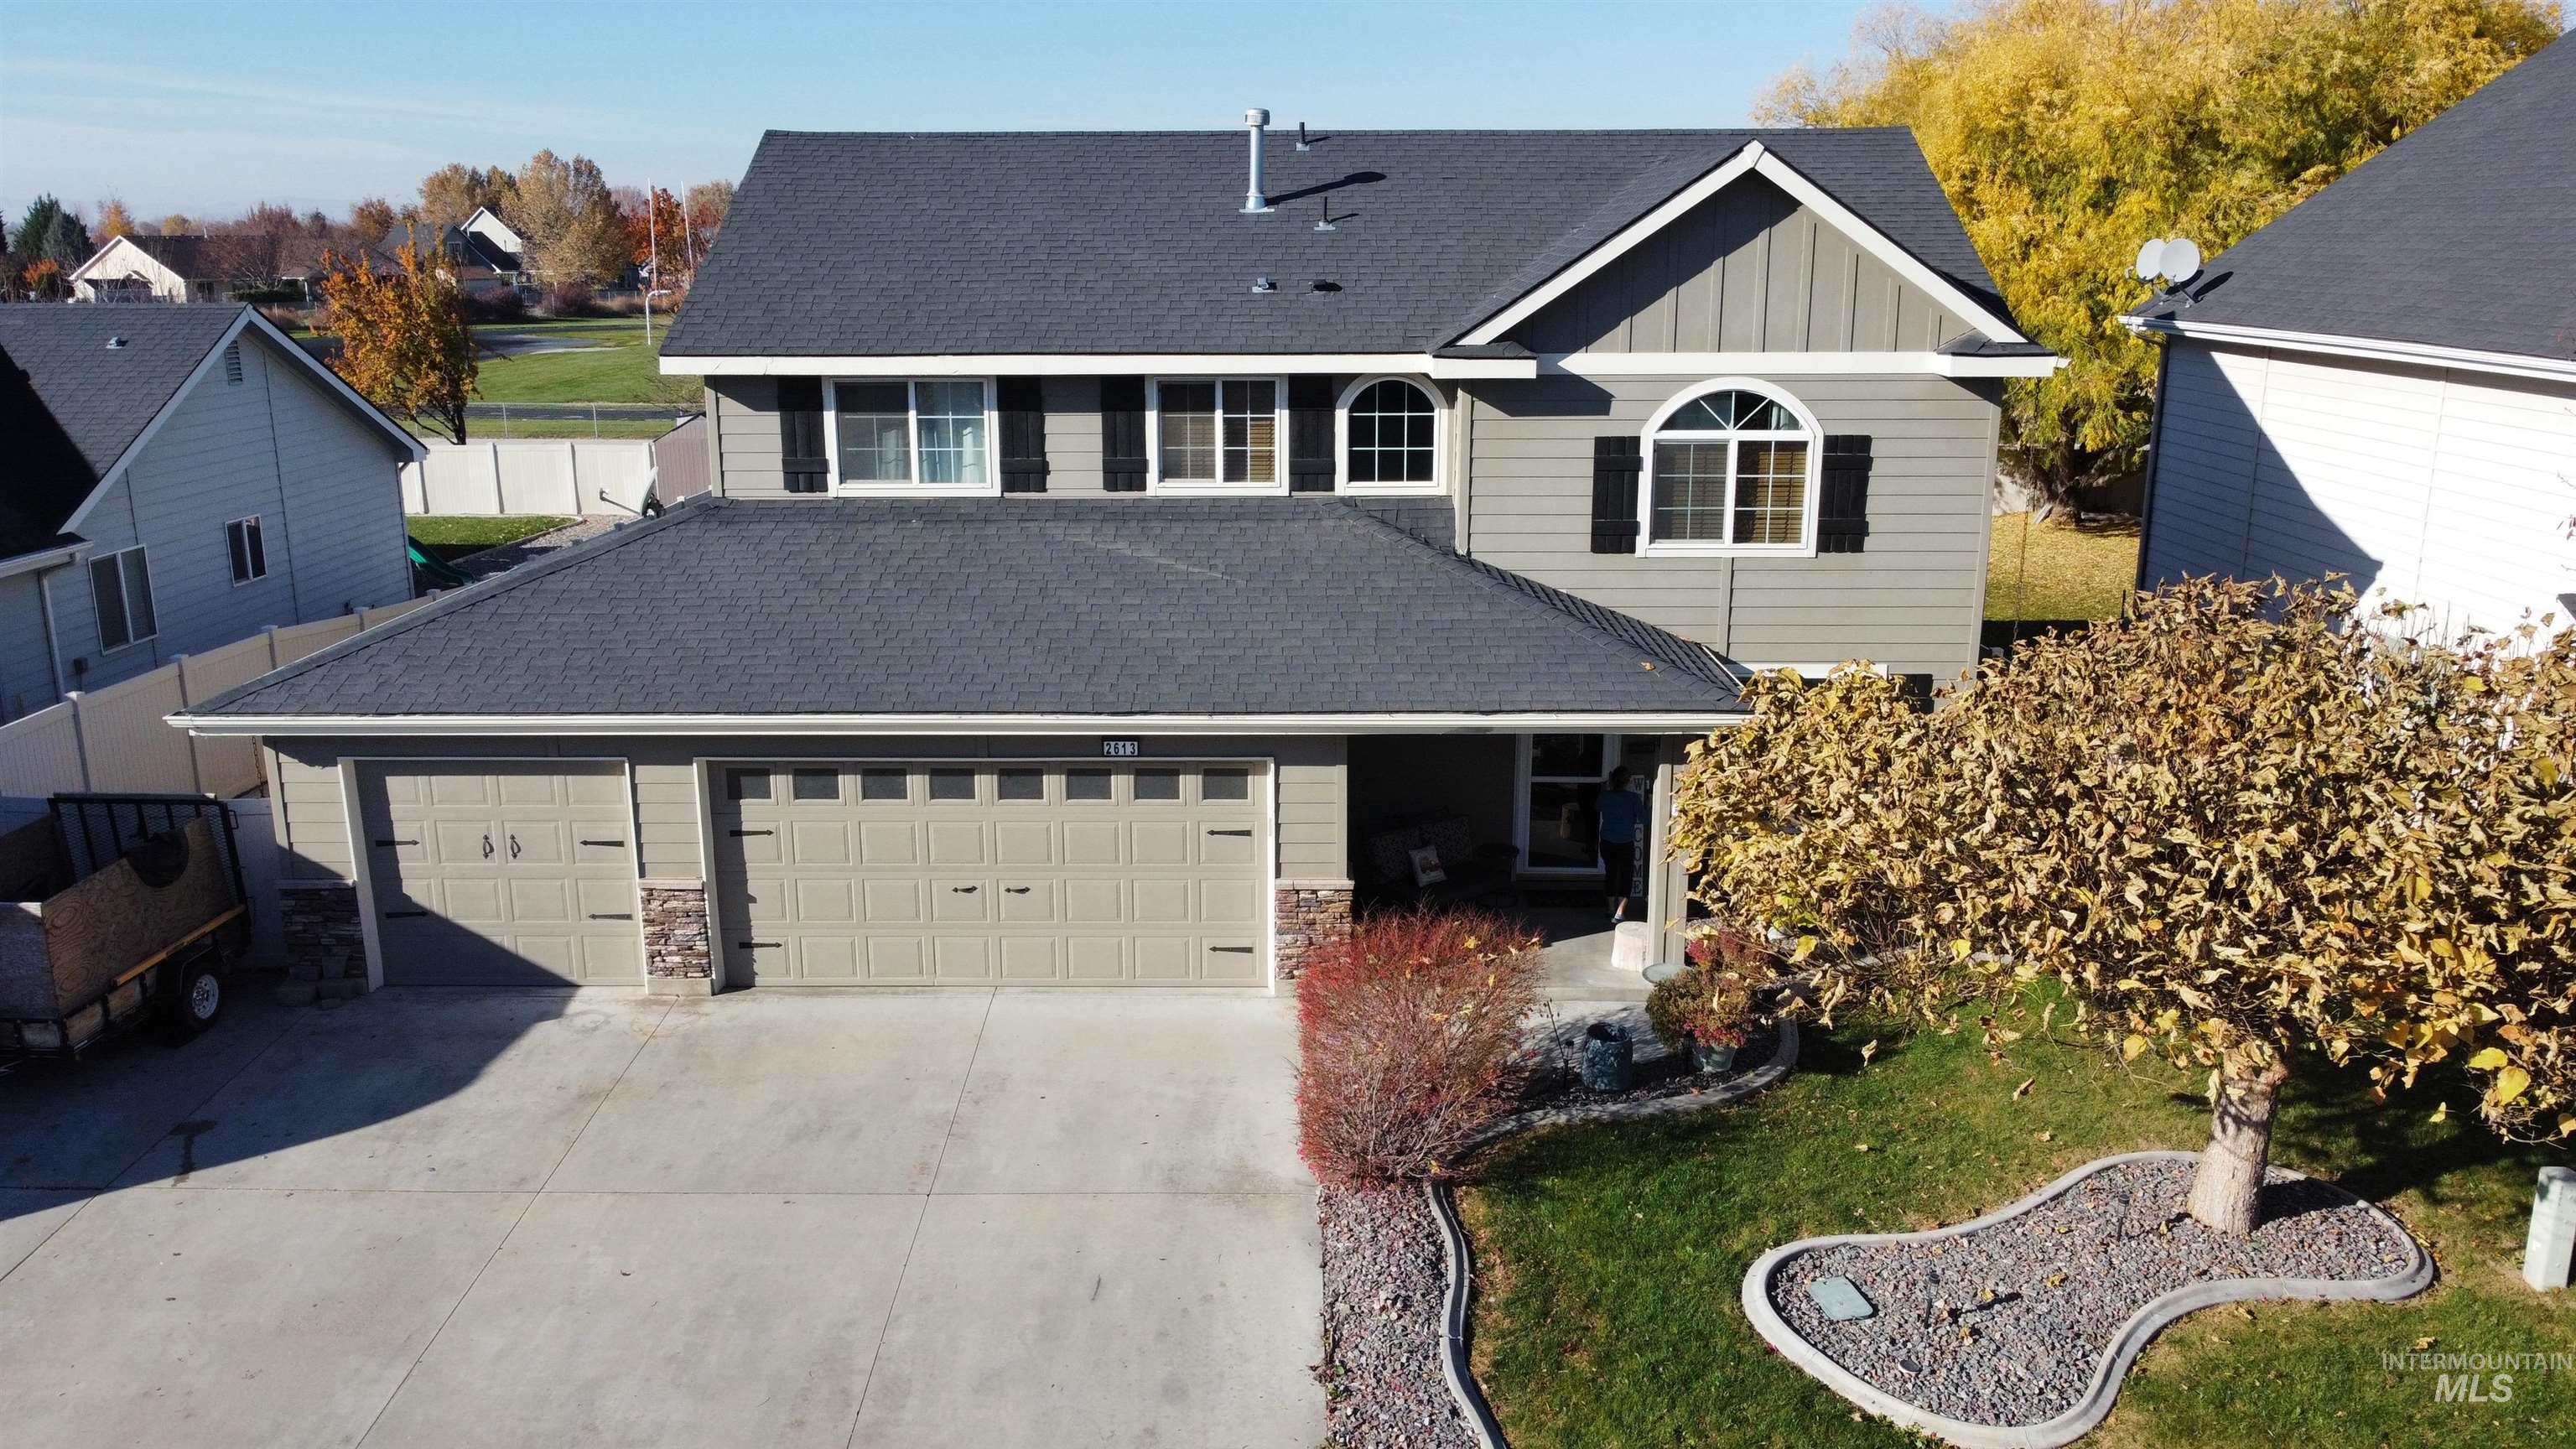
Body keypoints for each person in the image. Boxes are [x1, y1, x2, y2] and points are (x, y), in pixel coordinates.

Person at [1597, 766, 1644, 922]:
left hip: (1607, 841)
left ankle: (1610, 908)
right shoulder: (1633, 798)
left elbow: (1596, 808)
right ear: (1628, 782)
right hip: (1625, 842)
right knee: (1626, 876)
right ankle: (1620, 912)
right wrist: (1648, 804)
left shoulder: (1605, 797)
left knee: (1610, 873)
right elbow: (1645, 820)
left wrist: (1605, 789)